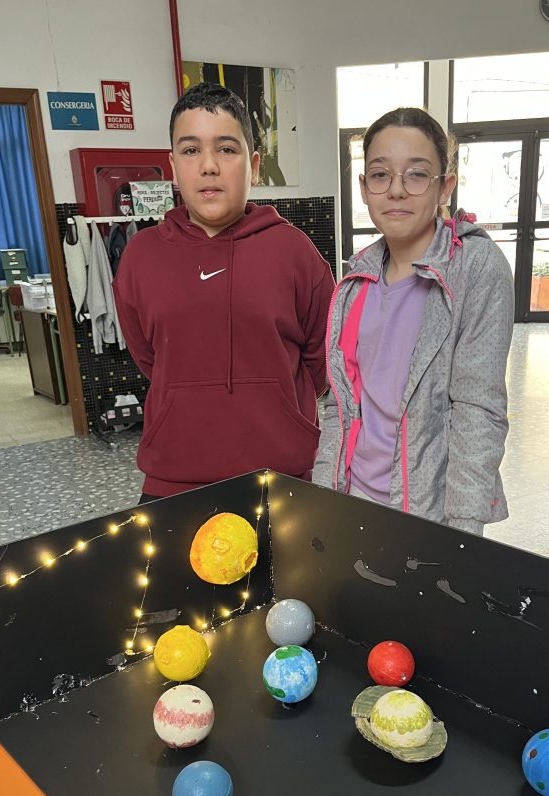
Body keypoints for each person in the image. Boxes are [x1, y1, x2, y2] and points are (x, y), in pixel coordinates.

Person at [114, 83, 335, 501]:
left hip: (280, 479)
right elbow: (149, 357)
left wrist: (276, 404)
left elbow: (320, 362)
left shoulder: (294, 252)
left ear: (254, 166)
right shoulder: (141, 256)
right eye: (191, 150)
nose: (209, 166)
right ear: (173, 166)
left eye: (227, 149)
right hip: (171, 482)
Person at [312, 107, 514, 535]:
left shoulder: (474, 268)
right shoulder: (356, 280)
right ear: (364, 188)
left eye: (417, 175)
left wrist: (463, 532)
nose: (397, 191)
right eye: (381, 175)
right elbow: (339, 406)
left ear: (445, 187)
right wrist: (325, 497)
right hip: (352, 499)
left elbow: (478, 411)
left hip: (429, 514)